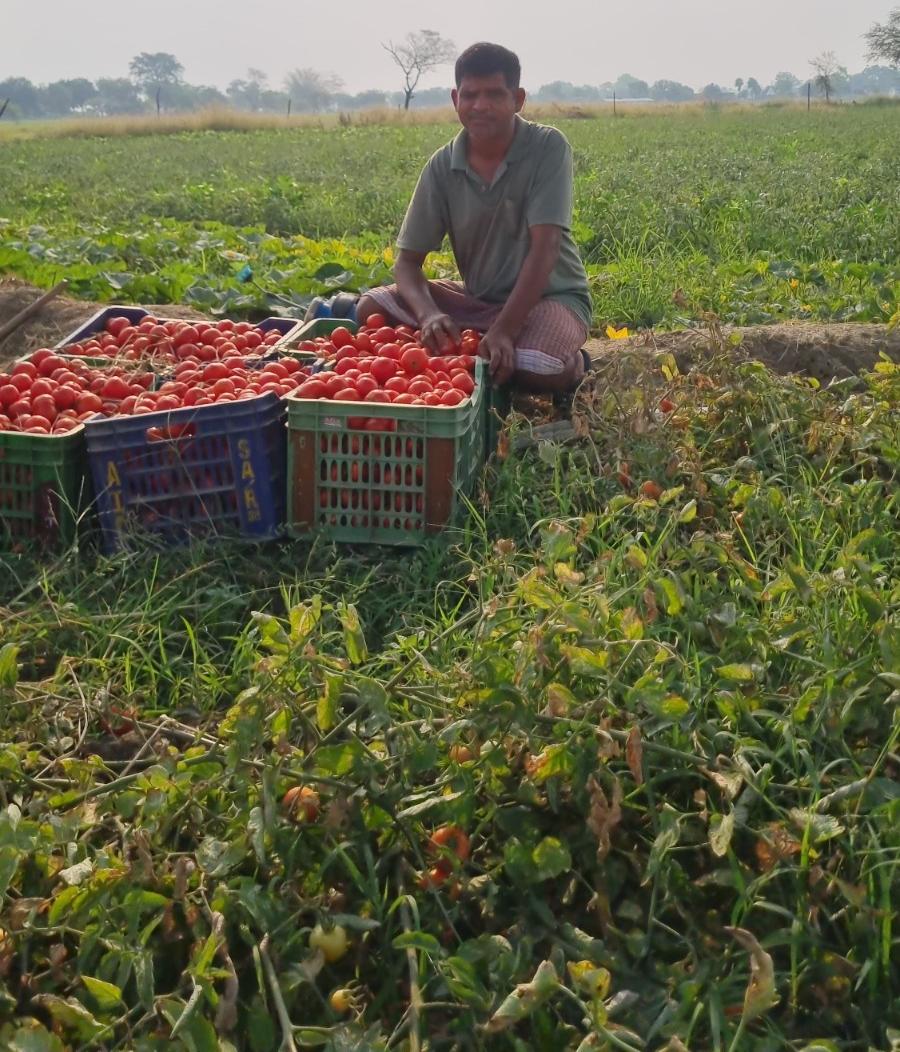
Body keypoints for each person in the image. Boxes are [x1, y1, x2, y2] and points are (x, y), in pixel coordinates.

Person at [356, 42, 593, 394]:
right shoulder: (442, 166)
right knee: (371, 305)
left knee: (535, 369)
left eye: (495, 94)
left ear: (519, 99)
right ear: (455, 99)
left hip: (552, 297)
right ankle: (490, 337)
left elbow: (545, 249)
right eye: (470, 95)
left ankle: (577, 364)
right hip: (479, 302)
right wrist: (429, 315)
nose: (480, 106)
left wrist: (506, 330)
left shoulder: (546, 147)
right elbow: (407, 263)